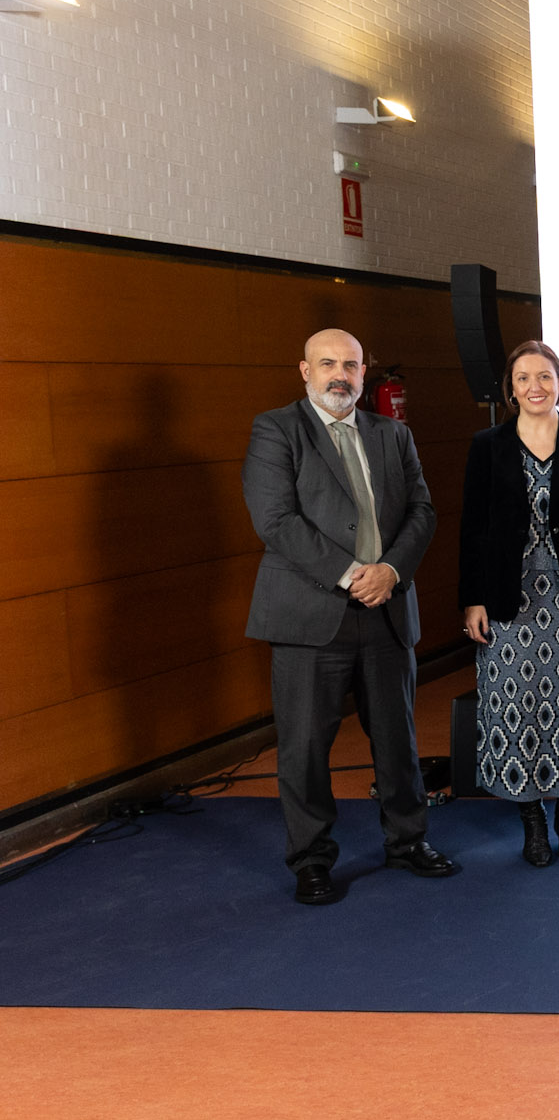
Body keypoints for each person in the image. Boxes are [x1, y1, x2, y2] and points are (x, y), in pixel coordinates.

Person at [241, 328, 455, 904]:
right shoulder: (276, 429)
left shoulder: (392, 433)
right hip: (310, 615)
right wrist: (351, 573)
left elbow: (422, 510)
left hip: (387, 607)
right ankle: (311, 860)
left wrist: (391, 571)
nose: (341, 375)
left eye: (351, 365)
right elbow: (275, 519)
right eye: (328, 364)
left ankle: (408, 841)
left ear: (364, 373)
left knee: (397, 738)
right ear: (304, 371)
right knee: (305, 748)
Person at [458, 340, 559, 868]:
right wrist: (472, 600)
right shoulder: (487, 445)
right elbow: (472, 529)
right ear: (511, 388)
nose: (535, 386)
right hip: (509, 601)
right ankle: (530, 822)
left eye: (545, 376)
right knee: (516, 710)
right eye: (524, 378)